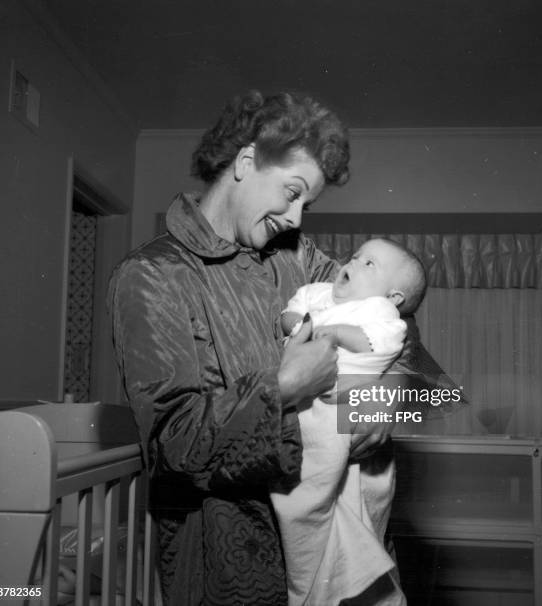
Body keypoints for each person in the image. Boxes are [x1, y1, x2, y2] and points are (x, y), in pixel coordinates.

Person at [108, 90, 425, 605]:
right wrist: (285, 386)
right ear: (247, 160)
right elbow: (171, 445)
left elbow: (396, 327)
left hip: (341, 546)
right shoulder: (150, 277)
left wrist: (383, 396)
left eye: (308, 203)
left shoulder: (300, 260)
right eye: (292, 192)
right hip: (230, 566)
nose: (298, 219)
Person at [272, 238, 427, 606]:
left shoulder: (375, 306)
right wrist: (305, 325)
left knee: (356, 501)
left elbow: (399, 338)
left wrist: (387, 395)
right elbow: (291, 317)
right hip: (301, 416)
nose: (354, 262)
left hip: (348, 413)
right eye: (356, 256)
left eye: (368, 263)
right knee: (311, 499)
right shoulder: (320, 291)